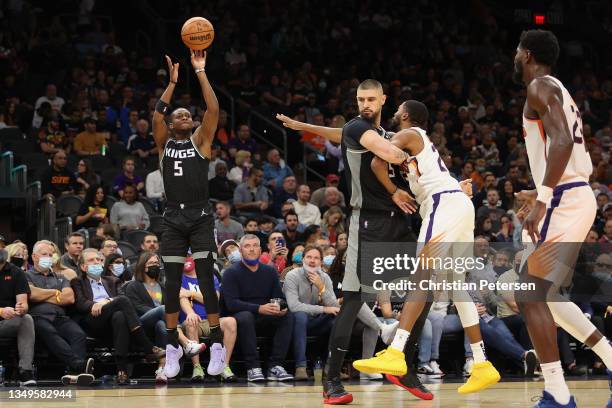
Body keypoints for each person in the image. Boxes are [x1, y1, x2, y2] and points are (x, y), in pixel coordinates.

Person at [277, 80, 430, 404]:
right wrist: (417, 156)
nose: (366, 104)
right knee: (353, 300)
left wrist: (302, 125)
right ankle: (331, 380)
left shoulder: (377, 133)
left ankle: (404, 365)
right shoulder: (360, 127)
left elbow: (340, 135)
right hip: (368, 222)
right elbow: (384, 150)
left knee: (425, 291)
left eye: (372, 99)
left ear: (384, 100)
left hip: (398, 223)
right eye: (361, 98)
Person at [354, 99, 500, 394]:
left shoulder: (410, 134)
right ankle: (482, 364)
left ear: (406, 116)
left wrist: (394, 191)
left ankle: (396, 351)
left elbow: (376, 160)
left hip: (443, 205)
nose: (394, 114)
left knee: (422, 275)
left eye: (397, 111)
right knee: (456, 286)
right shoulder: (422, 144)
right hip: (456, 204)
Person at [513, 29, 612, 407]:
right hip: (571, 192)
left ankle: (557, 392)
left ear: (525, 54)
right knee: (547, 298)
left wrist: (543, 197)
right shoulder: (555, 87)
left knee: (530, 291)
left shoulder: (539, 86)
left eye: (516, 51)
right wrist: (537, 187)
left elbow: (563, 141)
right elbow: (561, 146)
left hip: (565, 197)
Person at [152, 52, 226, 379]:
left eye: (187, 113)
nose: (184, 115)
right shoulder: (163, 144)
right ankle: (171, 345)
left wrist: (200, 71)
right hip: (172, 218)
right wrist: (170, 83)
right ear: (170, 124)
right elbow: (157, 113)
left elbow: (213, 109)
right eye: (177, 114)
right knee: (170, 283)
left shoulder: (201, 141)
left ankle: (219, 343)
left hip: (199, 217)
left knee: (207, 280)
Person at [71, 248, 165, 384]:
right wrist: (96, 304)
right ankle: (147, 346)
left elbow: (121, 296)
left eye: (98, 259)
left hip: (113, 320)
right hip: (93, 320)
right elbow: (80, 303)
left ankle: (122, 371)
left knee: (120, 316)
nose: (96, 262)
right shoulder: (77, 281)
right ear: (83, 267)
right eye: (91, 260)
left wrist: (105, 301)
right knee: (122, 302)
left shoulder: (112, 280)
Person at [220, 234, 294, 382]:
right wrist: (259, 308)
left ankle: (275, 366)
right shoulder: (231, 273)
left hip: (264, 315)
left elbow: (279, 297)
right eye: (247, 246)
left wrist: (282, 307)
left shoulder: (270, 271)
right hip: (238, 317)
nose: (252, 249)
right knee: (246, 316)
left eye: (255, 246)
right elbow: (231, 304)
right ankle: (252, 367)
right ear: (240, 250)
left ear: (261, 250)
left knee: (288, 316)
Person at [124, 251, 205, 384]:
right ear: (143, 266)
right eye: (151, 263)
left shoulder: (163, 287)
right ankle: (186, 343)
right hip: (141, 325)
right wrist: (159, 313)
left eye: (156, 263)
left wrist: (162, 315)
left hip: (161, 324)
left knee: (162, 325)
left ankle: (162, 370)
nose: (155, 265)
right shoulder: (133, 286)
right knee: (164, 310)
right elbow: (136, 307)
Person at [26, 240, 94, 385]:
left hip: (60, 317)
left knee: (78, 334)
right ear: (34, 257)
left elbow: (69, 298)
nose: (48, 257)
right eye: (44, 254)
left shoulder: (61, 277)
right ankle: (79, 366)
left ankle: (74, 375)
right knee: (50, 332)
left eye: (51, 255)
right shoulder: (25, 276)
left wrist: (43, 296)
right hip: (38, 317)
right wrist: (55, 292)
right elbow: (32, 294)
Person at [284, 245, 339, 380]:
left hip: (316, 321)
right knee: (300, 316)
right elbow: (294, 306)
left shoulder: (325, 277)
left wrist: (321, 287)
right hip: (295, 321)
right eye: (309, 257)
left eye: (316, 258)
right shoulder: (292, 275)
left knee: (336, 319)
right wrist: (323, 309)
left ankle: (331, 367)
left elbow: (334, 306)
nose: (312, 261)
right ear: (302, 260)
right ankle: (301, 367)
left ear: (321, 262)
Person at [178, 256, 237, 382]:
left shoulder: (210, 277)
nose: (186, 259)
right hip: (194, 321)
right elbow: (182, 298)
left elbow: (214, 300)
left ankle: (224, 366)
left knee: (231, 322)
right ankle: (197, 368)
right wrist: (190, 313)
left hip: (212, 321)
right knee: (191, 321)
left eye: (189, 255)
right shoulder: (178, 277)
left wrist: (191, 293)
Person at [0, 247, 36, 386]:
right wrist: (1, 311)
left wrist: (21, 309)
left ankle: (25, 371)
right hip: (3, 315)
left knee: (26, 318)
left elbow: (24, 303)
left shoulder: (16, 272)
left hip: (8, 322)